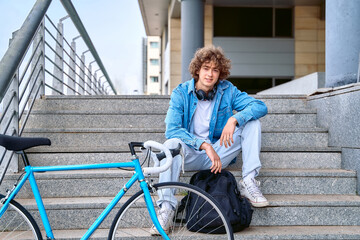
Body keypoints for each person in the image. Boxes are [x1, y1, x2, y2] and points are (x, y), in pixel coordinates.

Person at [150, 45, 269, 235]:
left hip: (220, 152)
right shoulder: (180, 93)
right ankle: (167, 208)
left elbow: (260, 106)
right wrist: (204, 145)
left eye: (215, 70)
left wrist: (234, 119)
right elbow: (172, 130)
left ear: (220, 73)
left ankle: (248, 181)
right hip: (190, 154)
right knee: (171, 145)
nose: (210, 74)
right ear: (197, 70)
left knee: (252, 123)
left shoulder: (227, 90)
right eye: (206, 68)